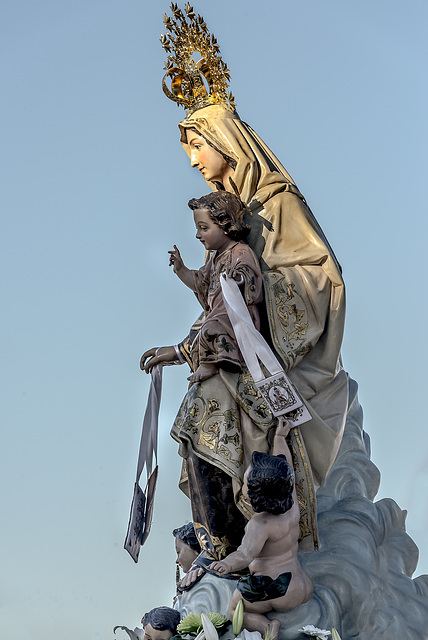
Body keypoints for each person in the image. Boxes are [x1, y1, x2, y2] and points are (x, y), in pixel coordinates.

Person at [141, 103, 348, 567]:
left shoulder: (279, 205)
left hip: (260, 354)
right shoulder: (223, 234)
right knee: (199, 431)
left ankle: (246, 551)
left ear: (224, 142)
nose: (194, 161)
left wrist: (251, 295)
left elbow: (322, 276)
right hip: (230, 349)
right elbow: (217, 303)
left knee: (229, 434)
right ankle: (223, 550)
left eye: (197, 146)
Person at [209, 420, 313, 638]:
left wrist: (227, 564)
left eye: (246, 484)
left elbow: (245, 555)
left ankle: (267, 627)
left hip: (274, 589)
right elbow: (286, 464)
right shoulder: (290, 504)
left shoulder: (260, 524)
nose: (243, 486)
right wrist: (279, 439)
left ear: (256, 495)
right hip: (300, 584)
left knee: (234, 610)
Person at [168, 191, 263, 384]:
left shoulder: (240, 251)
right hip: (219, 315)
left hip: (236, 317)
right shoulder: (214, 259)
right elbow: (201, 284)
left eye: (203, 228)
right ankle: (209, 363)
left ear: (225, 226)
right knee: (205, 329)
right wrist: (181, 270)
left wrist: (238, 278)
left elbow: (249, 275)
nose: (197, 235)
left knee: (210, 328)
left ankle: (214, 364)